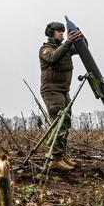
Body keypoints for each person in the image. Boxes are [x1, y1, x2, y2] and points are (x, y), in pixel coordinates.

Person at [39, 21, 83, 171]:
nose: (62, 34)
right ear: (51, 33)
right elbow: (53, 57)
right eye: (58, 31)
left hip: (64, 91)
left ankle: (61, 156)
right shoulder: (45, 49)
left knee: (66, 123)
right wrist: (69, 42)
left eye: (63, 31)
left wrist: (80, 37)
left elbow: (83, 48)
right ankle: (55, 160)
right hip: (51, 90)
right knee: (58, 123)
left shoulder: (66, 47)